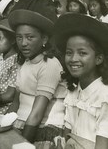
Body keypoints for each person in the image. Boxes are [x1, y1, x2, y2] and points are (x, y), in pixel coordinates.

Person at [53, 13, 108, 149]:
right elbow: (67, 139)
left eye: (82, 53)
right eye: (69, 52)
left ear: (99, 59)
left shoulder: (106, 99)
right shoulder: (74, 92)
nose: (73, 59)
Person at [8, 9, 66, 148]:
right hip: (22, 123)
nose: (23, 43)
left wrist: (22, 144)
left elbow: (36, 115)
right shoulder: (26, 62)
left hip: (43, 129)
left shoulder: (49, 65)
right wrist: (3, 123)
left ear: (44, 39)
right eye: (19, 37)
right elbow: (16, 102)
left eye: (30, 37)